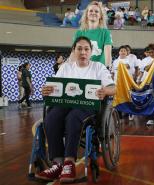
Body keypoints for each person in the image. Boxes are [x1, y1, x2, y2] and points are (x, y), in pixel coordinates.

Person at [35, 36, 115, 183]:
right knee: (51, 117)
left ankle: (69, 163)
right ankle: (58, 163)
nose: (83, 52)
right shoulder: (66, 67)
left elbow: (113, 88)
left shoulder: (98, 67)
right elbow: (54, 86)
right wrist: (46, 90)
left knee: (73, 118)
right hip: (65, 104)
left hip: (88, 107)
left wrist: (105, 91)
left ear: (91, 52)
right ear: (73, 51)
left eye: (86, 49)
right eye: (79, 49)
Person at [72, 1, 113, 67]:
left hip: (99, 71)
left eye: (96, 11)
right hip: (82, 70)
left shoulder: (105, 33)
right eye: (91, 11)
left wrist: (107, 69)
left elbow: (108, 55)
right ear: (87, 14)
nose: (93, 13)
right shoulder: (79, 32)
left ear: (100, 16)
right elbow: (74, 54)